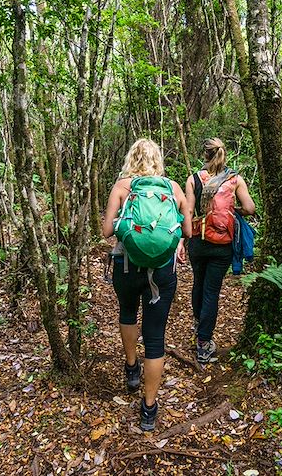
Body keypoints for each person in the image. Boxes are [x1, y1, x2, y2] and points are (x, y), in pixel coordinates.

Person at [102, 138, 192, 431]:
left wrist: (126, 226)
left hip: (126, 267)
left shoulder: (122, 187)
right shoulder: (173, 188)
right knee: (155, 339)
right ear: (158, 160)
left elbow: (106, 232)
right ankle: (149, 410)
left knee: (127, 312)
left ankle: (131, 368)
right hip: (162, 272)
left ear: (131, 158)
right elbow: (188, 230)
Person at [177, 138, 255, 363]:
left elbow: (188, 212)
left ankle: (198, 323)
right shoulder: (235, 179)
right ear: (224, 155)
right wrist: (234, 210)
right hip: (222, 245)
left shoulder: (193, 179)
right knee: (211, 291)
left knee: (198, 284)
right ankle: (204, 343)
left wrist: (182, 242)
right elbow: (250, 208)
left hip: (199, 242)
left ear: (205, 155)